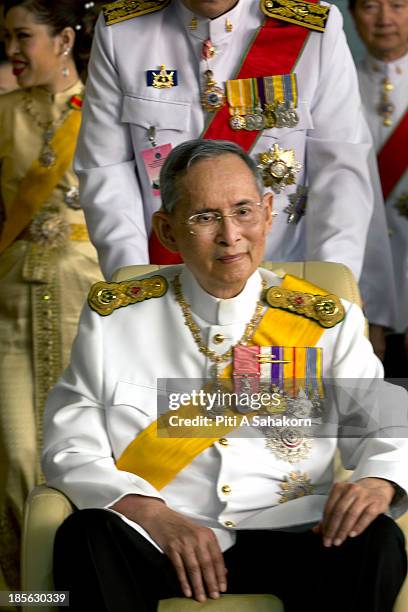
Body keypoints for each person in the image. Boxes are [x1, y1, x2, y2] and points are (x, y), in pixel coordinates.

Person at [43, 139, 408, 612]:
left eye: (243, 211)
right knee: (86, 535)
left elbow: (392, 431)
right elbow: (69, 447)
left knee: (373, 538)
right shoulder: (117, 319)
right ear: (168, 230)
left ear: (269, 212)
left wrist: (378, 483)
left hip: (293, 535)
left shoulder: (324, 321)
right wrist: (151, 514)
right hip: (162, 540)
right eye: (204, 217)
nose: (230, 235)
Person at [0, 0, 104, 593]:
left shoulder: (105, 111)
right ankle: (27, 597)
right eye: (7, 38)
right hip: (11, 301)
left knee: (81, 454)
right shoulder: (3, 114)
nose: (13, 50)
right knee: (17, 457)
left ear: (64, 39)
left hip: (87, 299)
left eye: (24, 36)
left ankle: (82, 590)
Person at [350, 0, 408, 376]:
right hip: (362, 298)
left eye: (398, 6)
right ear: (352, 14)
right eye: (371, 6)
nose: (385, 19)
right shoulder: (338, 86)